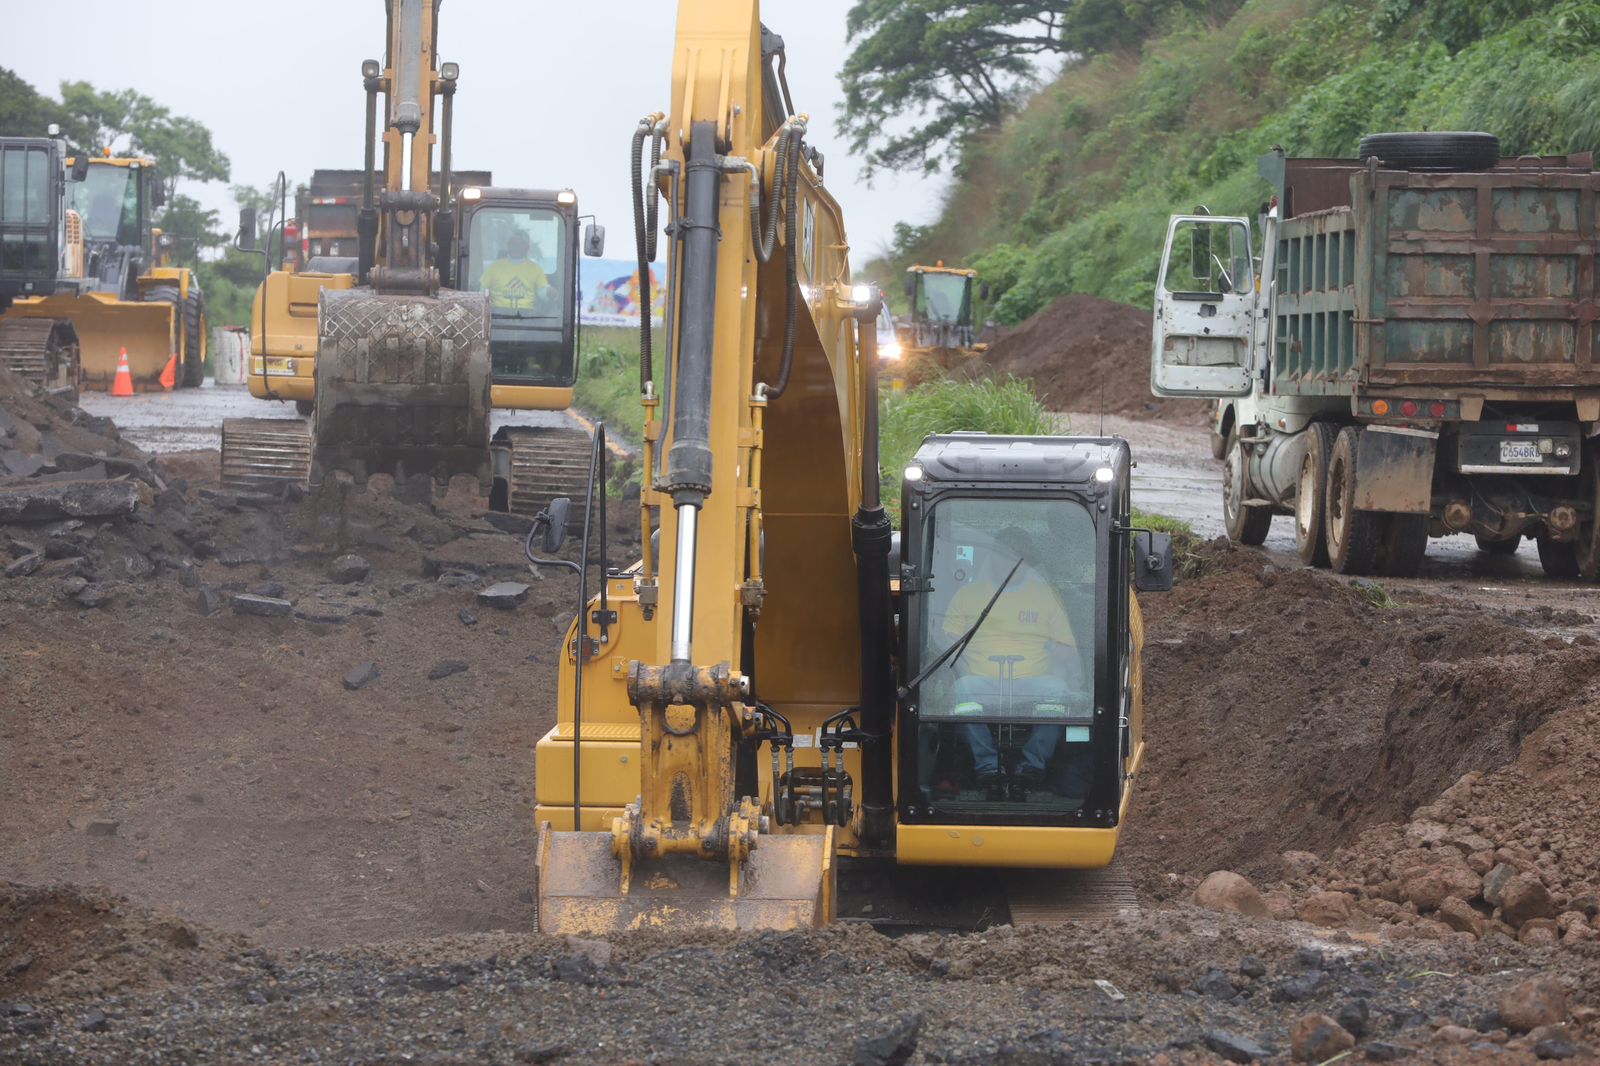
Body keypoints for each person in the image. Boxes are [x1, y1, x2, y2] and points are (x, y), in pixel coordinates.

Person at [941, 525, 1084, 799]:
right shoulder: (968, 596)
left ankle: (1031, 767)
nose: (1008, 561)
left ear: (1026, 560)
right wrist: (959, 667)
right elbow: (947, 643)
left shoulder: (1045, 596)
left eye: (1016, 555)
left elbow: (1066, 649)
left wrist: (1078, 681)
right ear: (992, 556)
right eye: (1002, 553)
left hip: (1033, 682)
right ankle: (987, 768)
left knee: (1057, 692)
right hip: (981, 681)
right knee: (963, 691)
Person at [479, 229, 549, 311]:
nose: (516, 247)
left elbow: (543, 293)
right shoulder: (493, 267)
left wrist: (550, 293)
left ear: (527, 247)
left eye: (520, 244)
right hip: (498, 317)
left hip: (527, 318)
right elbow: (482, 292)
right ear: (508, 245)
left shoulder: (536, 269)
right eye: (513, 243)